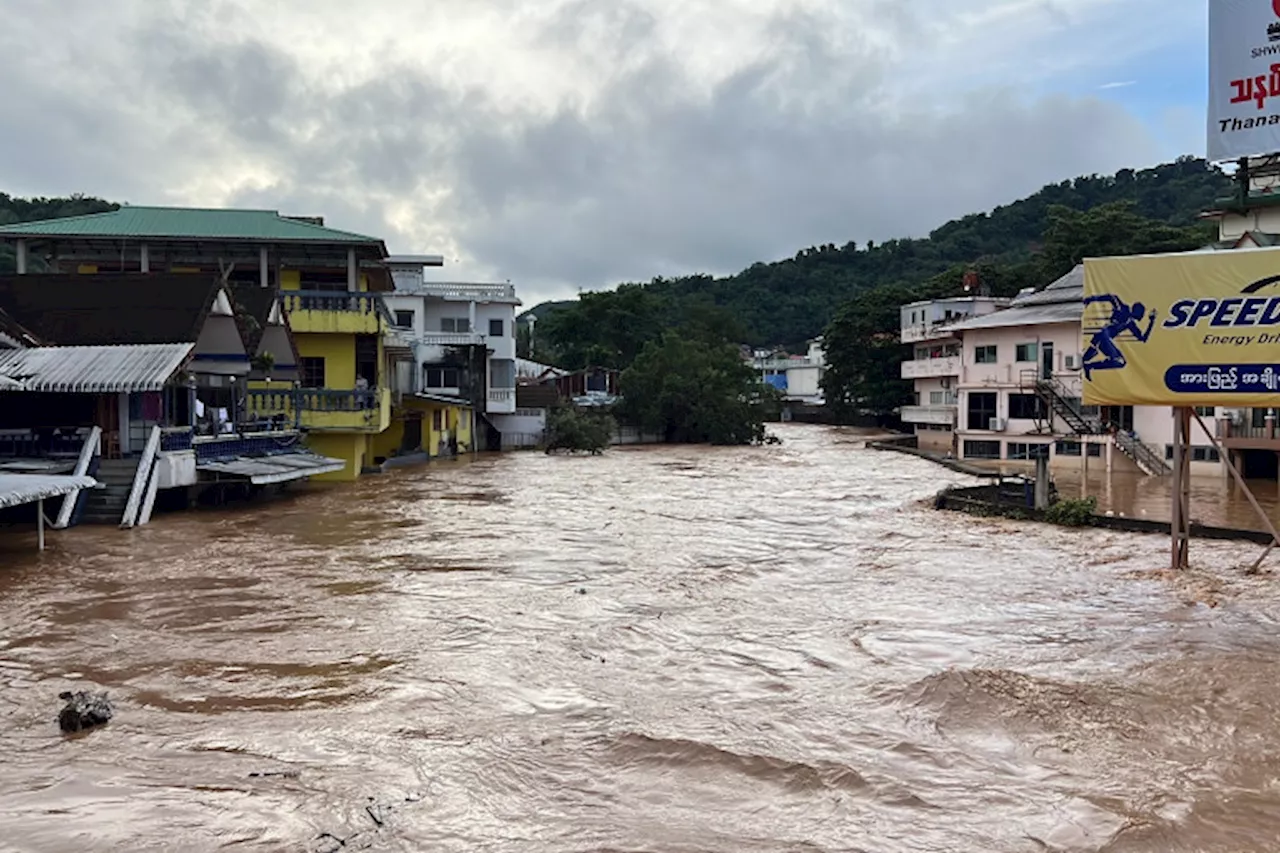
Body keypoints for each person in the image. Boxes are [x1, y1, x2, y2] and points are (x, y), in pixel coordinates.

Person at [1081, 294, 1155, 380]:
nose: (1142, 316)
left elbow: (1143, 338)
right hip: (1102, 338)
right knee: (1085, 359)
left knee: (1120, 362)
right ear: (1137, 311)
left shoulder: (1131, 324)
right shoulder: (1123, 309)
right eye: (1141, 313)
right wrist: (1091, 299)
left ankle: (1090, 366)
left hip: (1104, 341)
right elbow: (1112, 297)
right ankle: (1088, 365)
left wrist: (1151, 322)